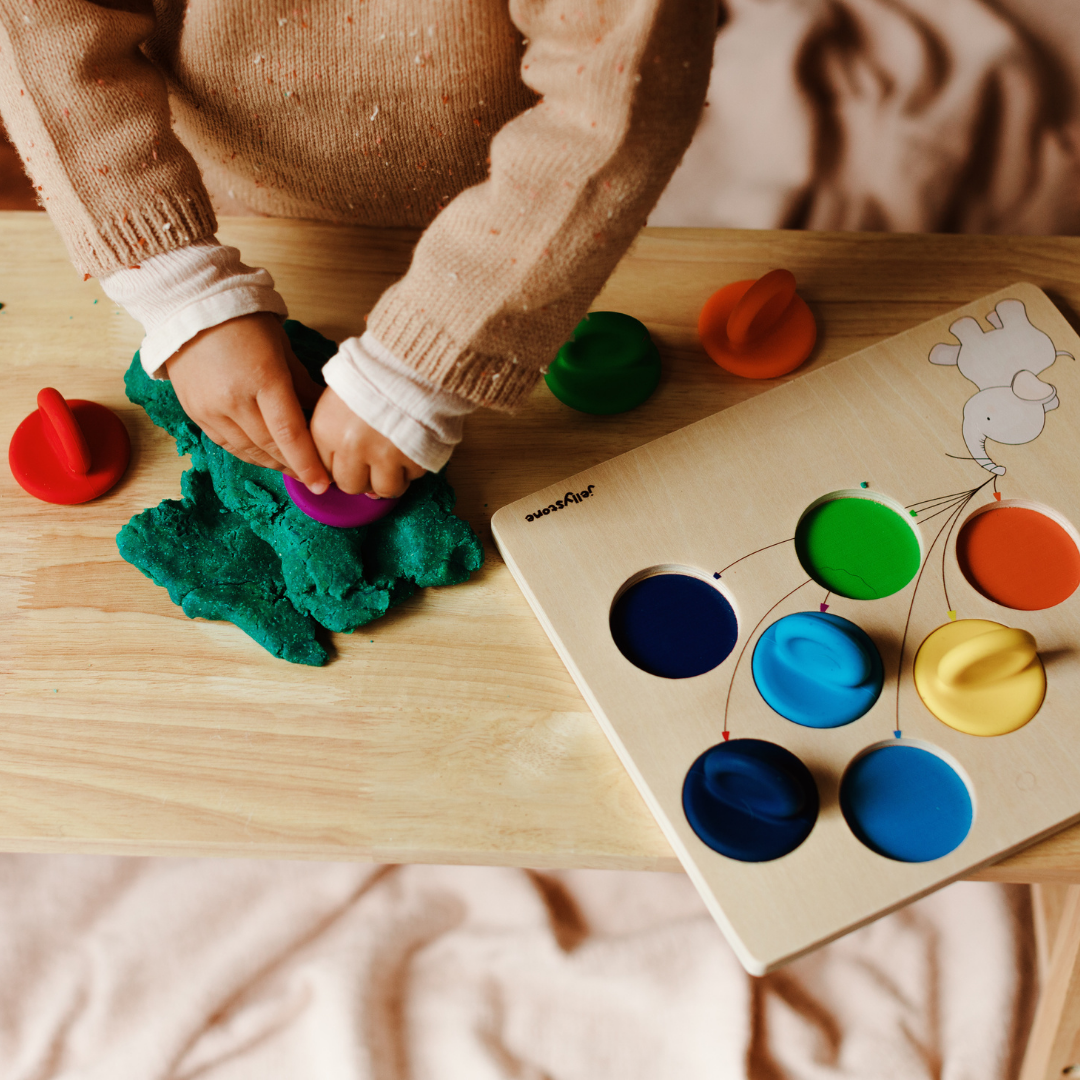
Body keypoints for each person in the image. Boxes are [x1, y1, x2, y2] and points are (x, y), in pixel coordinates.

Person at [0, 0, 714, 497]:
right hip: (228, 197)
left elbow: (619, 93)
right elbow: (43, 28)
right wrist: (178, 283)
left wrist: (426, 361)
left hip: (528, 219)